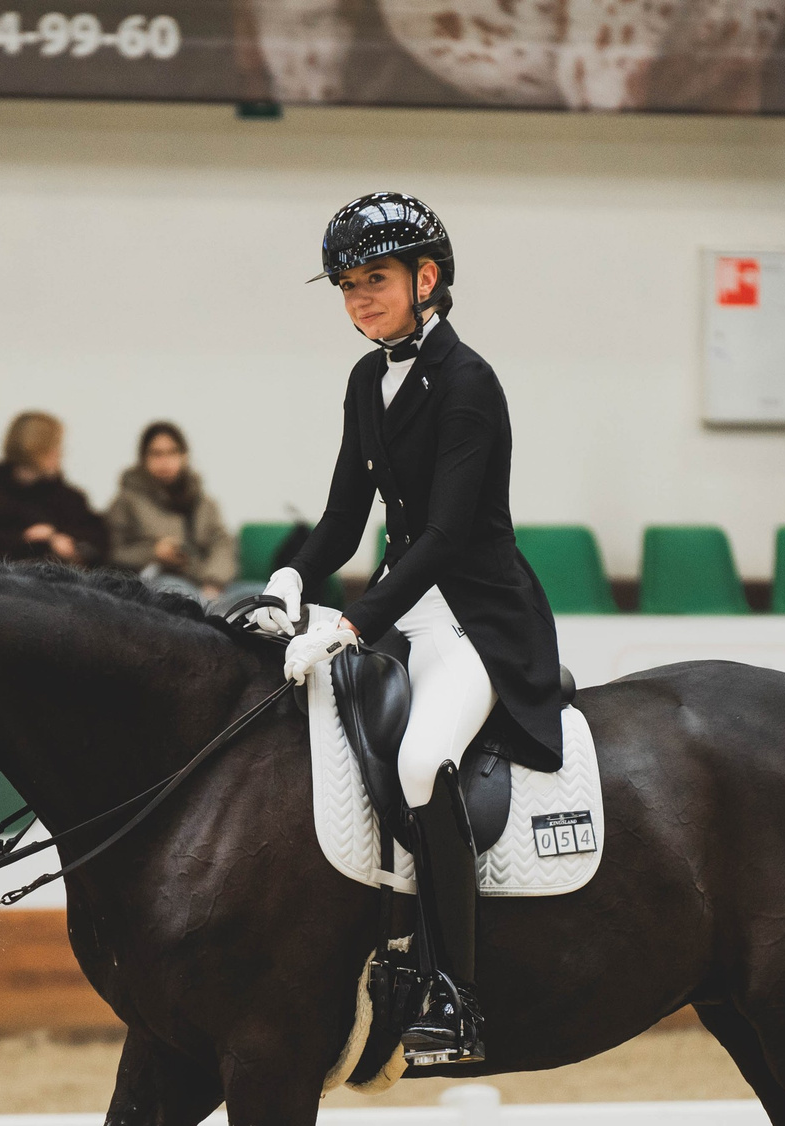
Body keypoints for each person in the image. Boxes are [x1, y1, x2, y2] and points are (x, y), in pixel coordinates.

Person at [251, 191, 564, 1069]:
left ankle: (456, 994)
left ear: (427, 278)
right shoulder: (365, 379)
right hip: (403, 606)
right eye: (347, 286)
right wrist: (292, 577)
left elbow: (448, 535)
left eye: (375, 281)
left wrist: (349, 623)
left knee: (423, 762)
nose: (359, 300)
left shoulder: (469, 382)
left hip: (475, 616)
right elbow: (346, 513)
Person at [0, 411, 112, 567]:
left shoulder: (70, 500)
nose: (60, 453)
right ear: (39, 450)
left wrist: (65, 542)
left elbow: (99, 545)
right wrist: (27, 540)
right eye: (54, 446)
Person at [107, 421, 234, 600]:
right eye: (156, 454)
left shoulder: (203, 501)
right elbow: (112, 553)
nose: (165, 461)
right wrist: (154, 552)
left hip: (208, 582)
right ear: (144, 458)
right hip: (159, 581)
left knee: (260, 595)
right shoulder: (127, 501)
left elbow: (222, 544)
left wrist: (213, 580)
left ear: (184, 456)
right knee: (177, 594)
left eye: (172, 452)